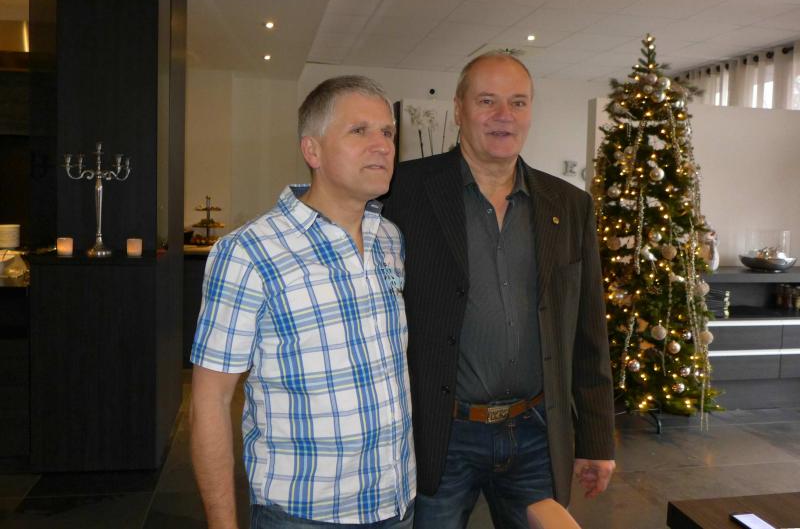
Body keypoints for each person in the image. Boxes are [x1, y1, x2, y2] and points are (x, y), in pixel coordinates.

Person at [382, 52, 615, 529]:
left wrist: (596, 439)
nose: (504, 115)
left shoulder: (570, 205)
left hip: (535, 433)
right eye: (487, 101)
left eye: (518, 102)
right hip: (441, 435)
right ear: (459, 109)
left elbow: (588, 332)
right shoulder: (403, 192)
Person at [190, 75, 415, 529]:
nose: (382, 146)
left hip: (396, 504)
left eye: (387, 132)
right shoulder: (248, 252)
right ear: (312, 151)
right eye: (359, 131)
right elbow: (210, 401)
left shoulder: (389, 239)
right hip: (303, 513)